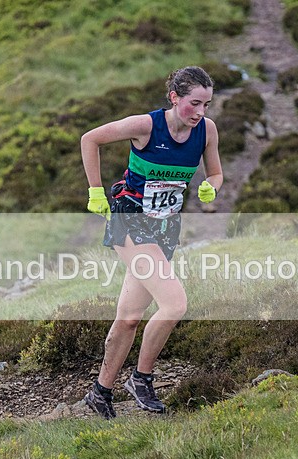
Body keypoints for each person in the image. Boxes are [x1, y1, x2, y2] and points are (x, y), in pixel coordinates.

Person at [79, 66, 223, 419]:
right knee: (174, 304)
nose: (200, 112)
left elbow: (217, 172)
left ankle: (100, 393)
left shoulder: (206, 131)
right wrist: (95, 191)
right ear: (174, 98)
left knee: (129, 318)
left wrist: (211, 187)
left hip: (164, 230)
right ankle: (141, 379)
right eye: (193, 103)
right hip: (131, 221)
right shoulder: (146, 126)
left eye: (206, 104)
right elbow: (90, 139)